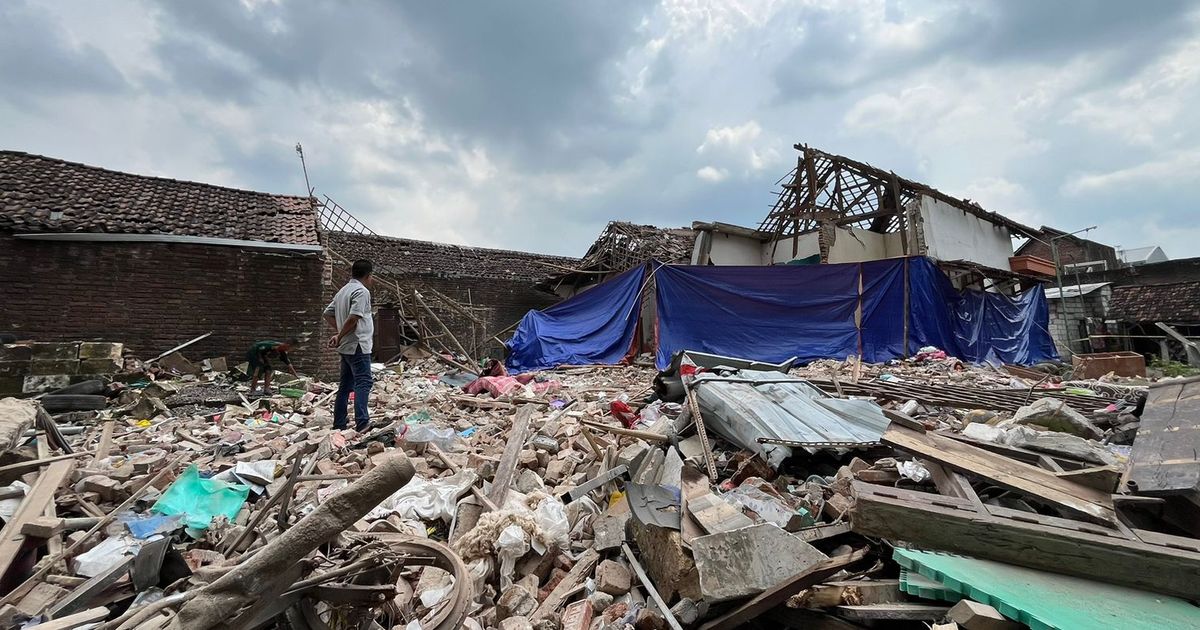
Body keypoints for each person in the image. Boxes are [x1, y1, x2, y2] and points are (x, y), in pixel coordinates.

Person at [324, 259, 375, 432]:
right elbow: (354, 318)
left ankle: (339, 422)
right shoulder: (362, 291)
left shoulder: (343, 291)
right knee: (364, 382)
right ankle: (362, 422)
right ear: (368, 276)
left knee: (345, 385)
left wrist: (339, 333)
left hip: (346, 345)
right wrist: (340, 334)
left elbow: (327, 313)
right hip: (358, 344)